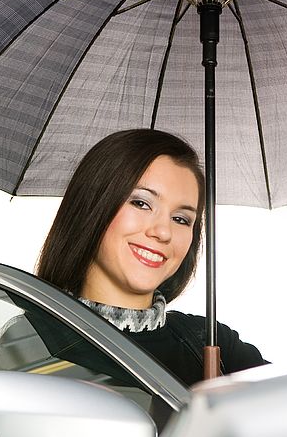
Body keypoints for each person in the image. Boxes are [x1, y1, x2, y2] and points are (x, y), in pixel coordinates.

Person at [36, 128, 267, 386]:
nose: (163, 232)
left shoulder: (212, 343)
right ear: (93, 204)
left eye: (181, 219)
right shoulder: (34, 337)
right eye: (141, 203)